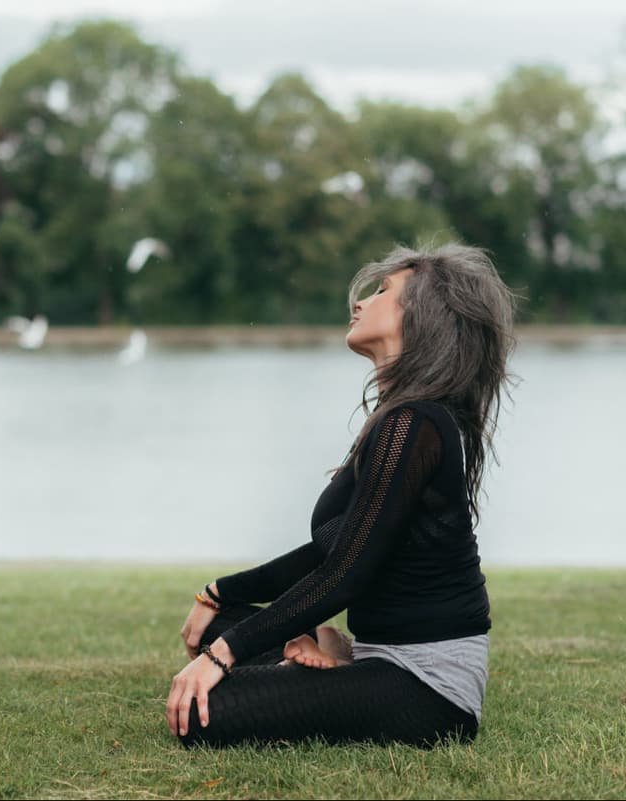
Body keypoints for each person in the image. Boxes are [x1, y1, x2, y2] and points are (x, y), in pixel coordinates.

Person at [165, 242, 520, 749]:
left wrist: (223, 657)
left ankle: (336, 659)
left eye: (382, 292)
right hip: (382, 659)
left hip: (427, 687)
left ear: (422, 316)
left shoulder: (414, 424)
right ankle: (333, 655)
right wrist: (221, 593)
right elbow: (331, 550)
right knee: (214, 627)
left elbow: (346, 574)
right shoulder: (399, 419)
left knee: (205, 714)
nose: (360, 303)